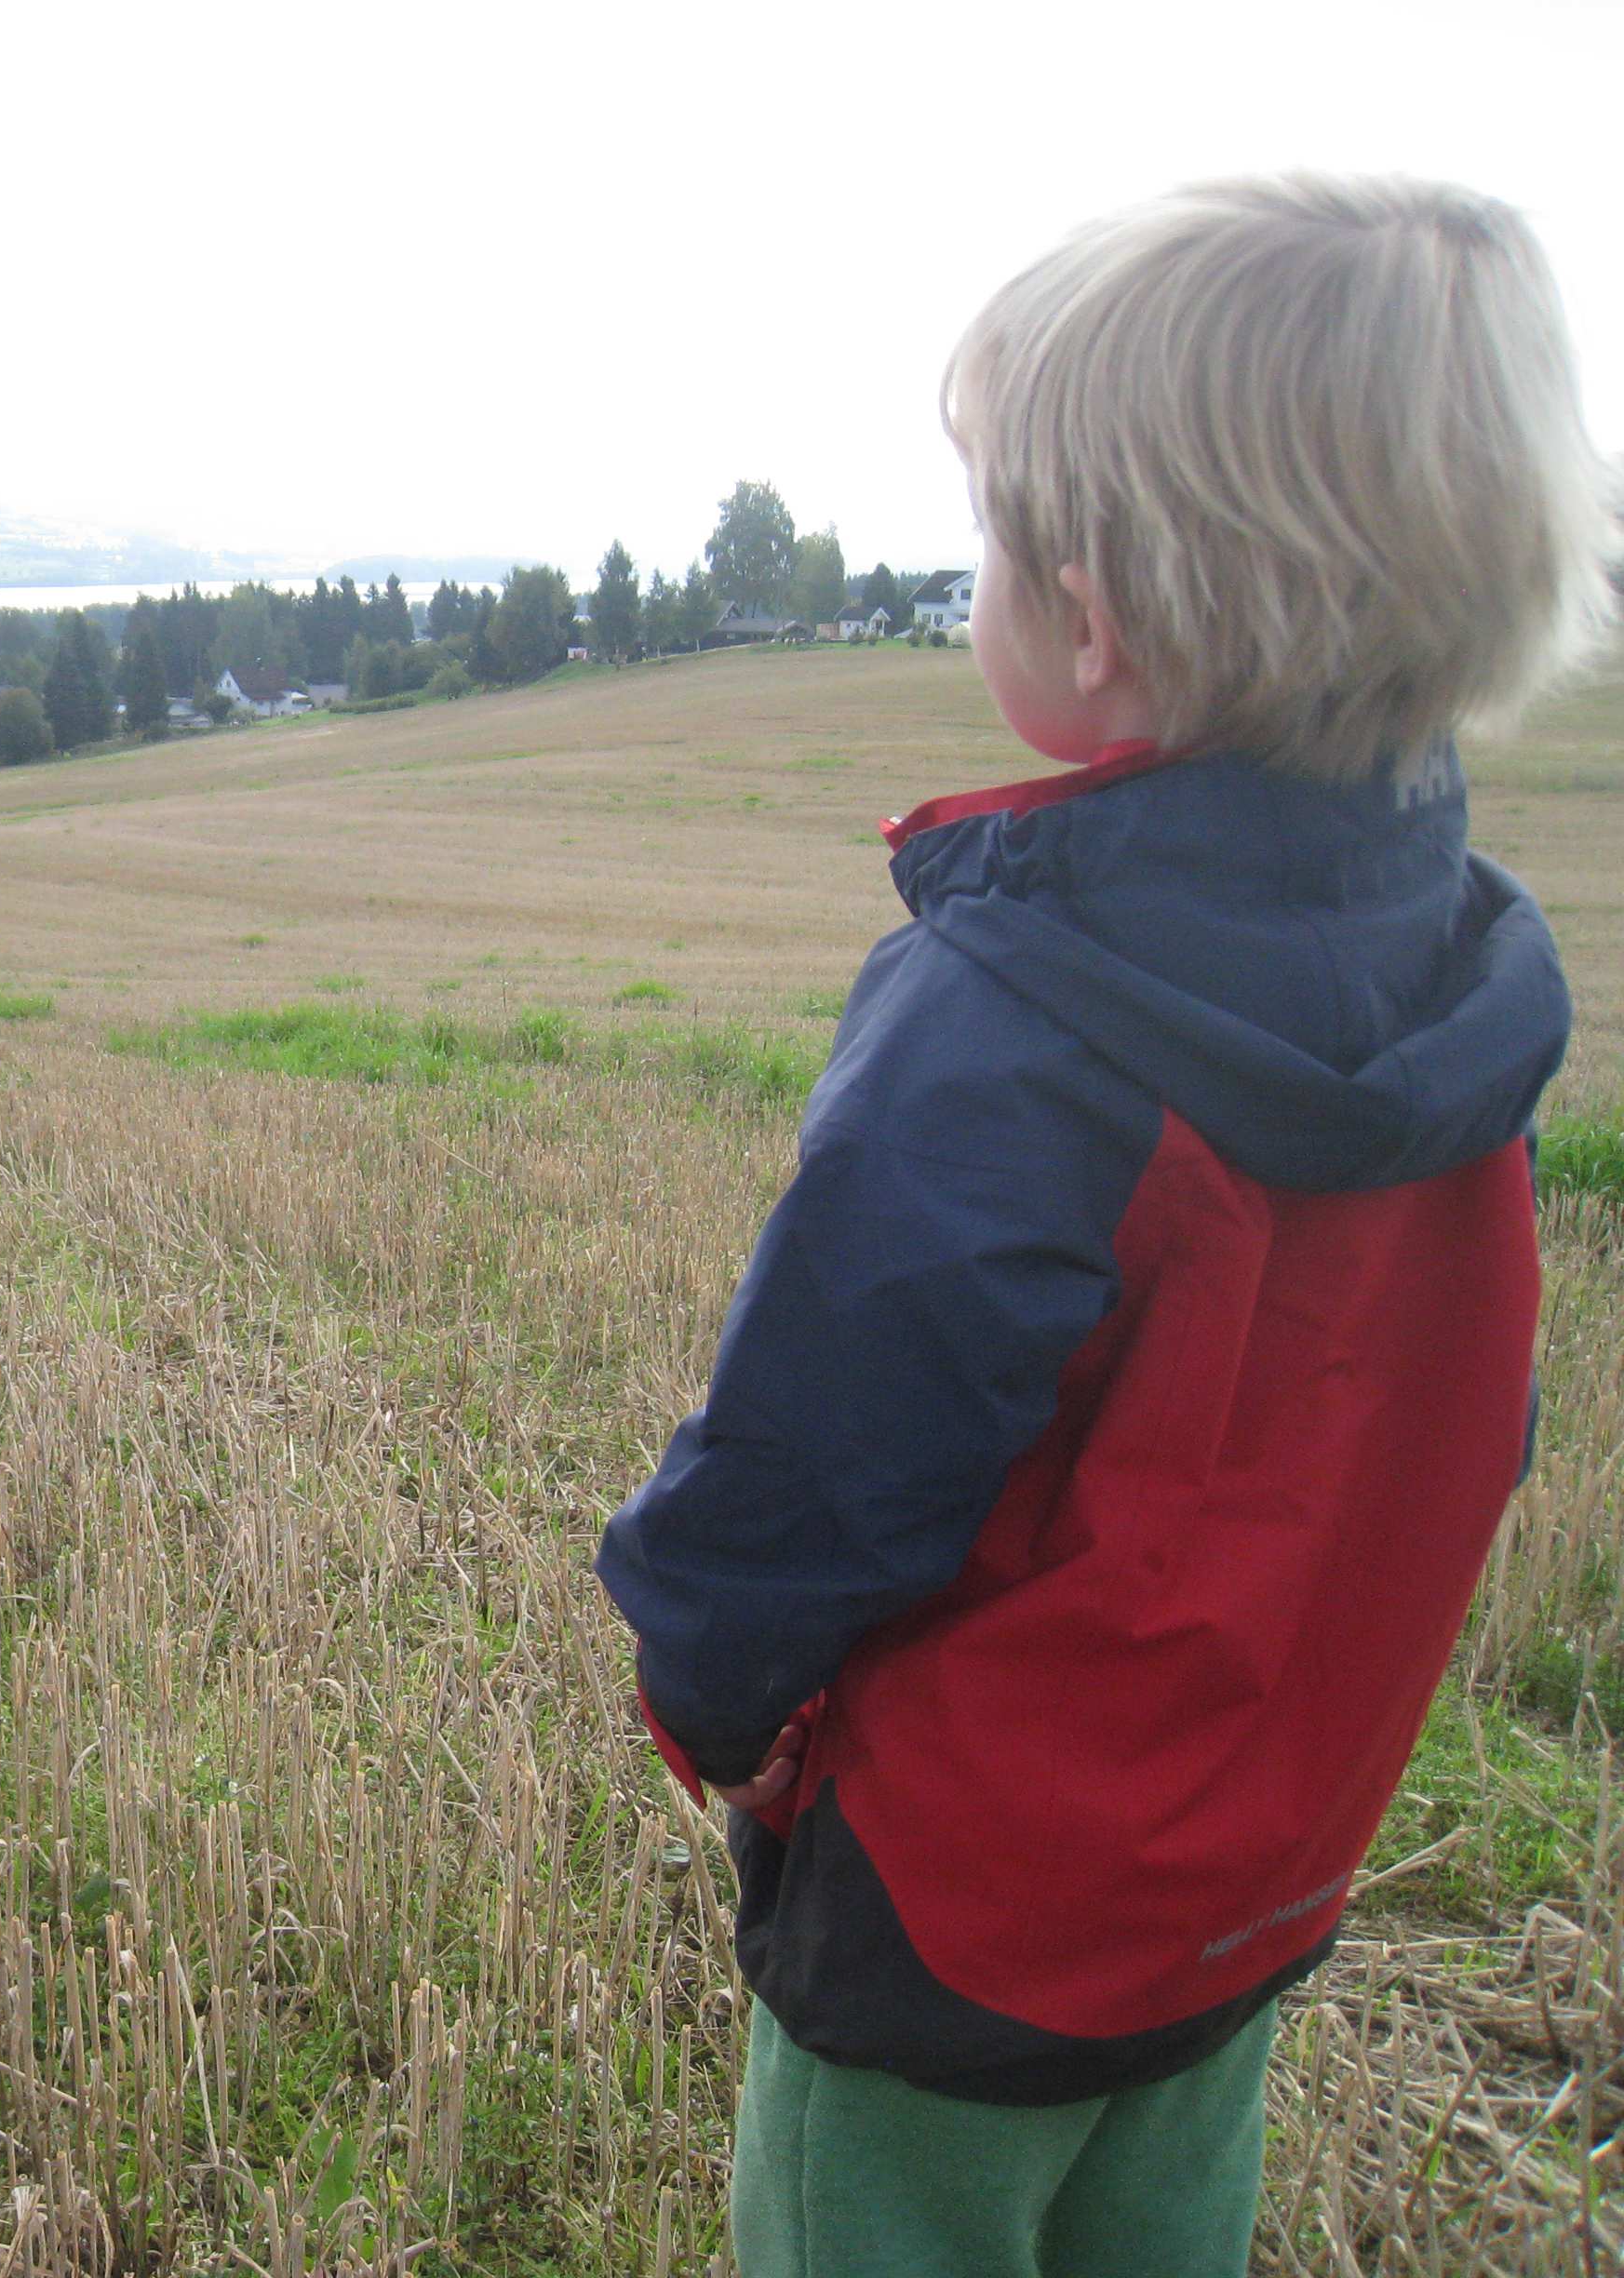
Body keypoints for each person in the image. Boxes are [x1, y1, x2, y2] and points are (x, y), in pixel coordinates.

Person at [594, 176, 1617, 2278]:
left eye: (985, 536)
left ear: (1093, 619)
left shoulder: (1007, 1026)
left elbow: (821, 1451)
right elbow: (1473, 1425)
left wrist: (702, 1691)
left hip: (969, 1918)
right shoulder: (1470, 986)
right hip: (1256, 1877)